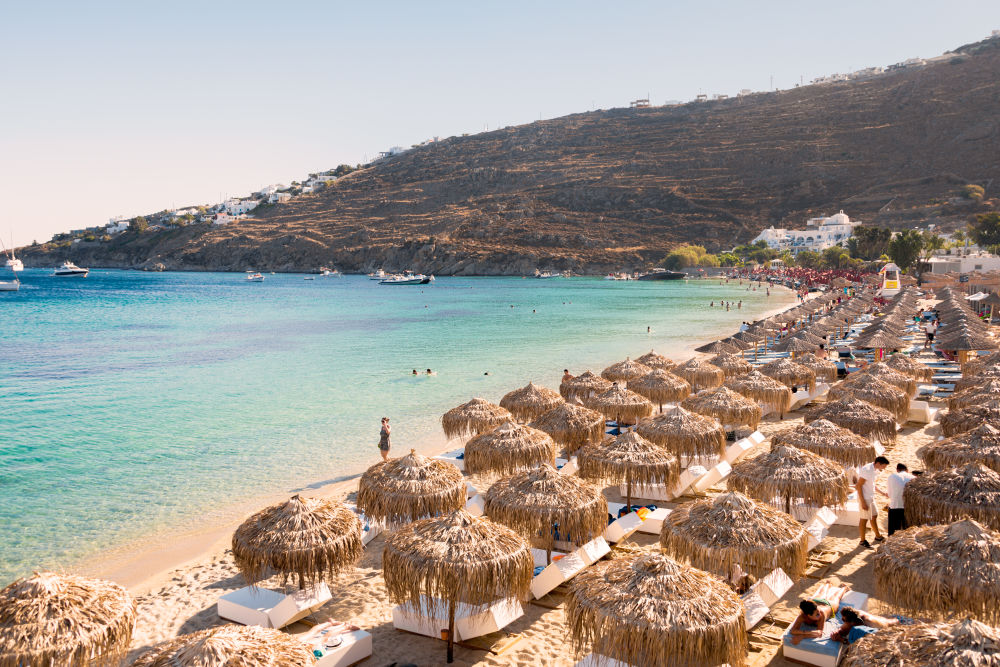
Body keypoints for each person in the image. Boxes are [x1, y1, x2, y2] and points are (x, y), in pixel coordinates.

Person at [788, 581, 851, 645]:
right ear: (808, 615)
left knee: (836, 596)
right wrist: (806, 632)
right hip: (817, 602)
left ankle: (844, 588)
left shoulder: (822, 613)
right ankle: (828, 584)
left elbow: (819, 633)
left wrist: (802, 636)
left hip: (829, 606)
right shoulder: (802, 616)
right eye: (817, 614)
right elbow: (793, 631)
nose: (820, 614)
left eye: (818, 611)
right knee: (823, 593)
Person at [857, 456, 890, 548]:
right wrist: (863, 502)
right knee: (864, 519)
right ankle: (862, 541)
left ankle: (877, 536)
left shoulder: (875, 470)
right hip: (865, 498)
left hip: (870, 497)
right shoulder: (867, 470)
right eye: (884, 466)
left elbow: (872, 485)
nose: (884, 468)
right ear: (878, 464)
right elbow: (858, 486)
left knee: (874, 516)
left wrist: (883, 493)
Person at [830, 607, 900, 644]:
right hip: (885, 620)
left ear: (852, 623)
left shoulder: (870, 625)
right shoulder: (855, 615)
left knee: (894, 621)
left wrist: (841, 640)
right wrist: (837, 631)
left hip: (893, 623)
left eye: (844, 621)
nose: (843, 622)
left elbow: (861, 643)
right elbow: (844, 627)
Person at [886, 463, 915, 535]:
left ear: (897, 470)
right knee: (907, 530)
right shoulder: (913, 477)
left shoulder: (891, 476)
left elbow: (889, 494)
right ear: (907, 470)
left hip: (895, 506)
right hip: (908, 507)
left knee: (893, 531)